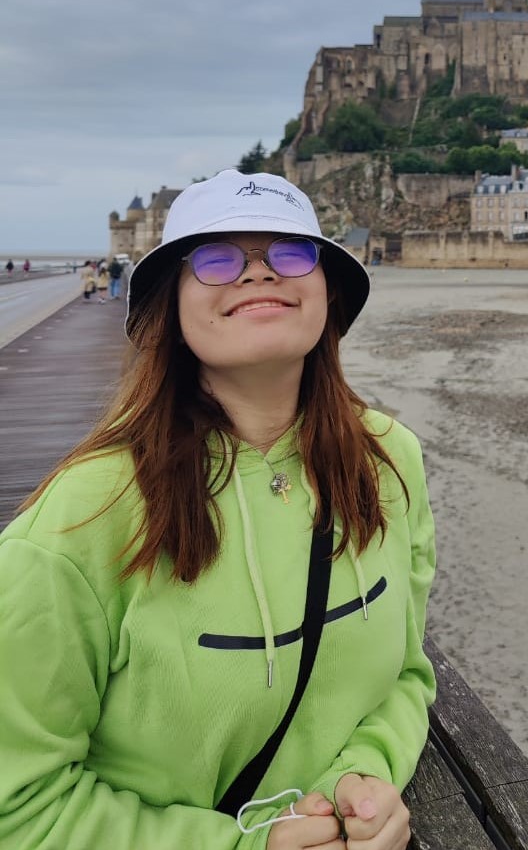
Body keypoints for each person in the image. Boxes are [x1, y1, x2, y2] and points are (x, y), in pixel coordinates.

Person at [0, 169, 436, 849]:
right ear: (171, 303)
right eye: (217, 257)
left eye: (289, 252)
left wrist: (365, 776)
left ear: (326, 288)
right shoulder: (80, 520)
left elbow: (408, 673)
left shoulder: (391, 461)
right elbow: (17, 806)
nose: (258, 273)